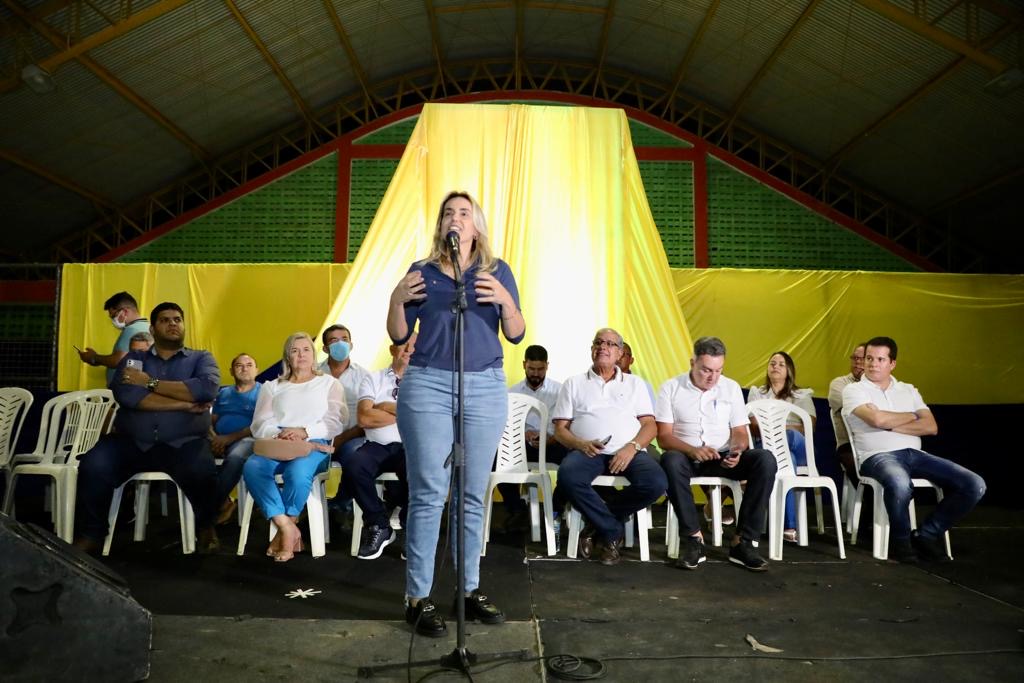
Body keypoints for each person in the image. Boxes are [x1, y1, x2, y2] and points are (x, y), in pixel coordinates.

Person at [388, 190, 524, 638]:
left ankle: (467, 591)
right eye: (449, 212)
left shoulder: (496, 271)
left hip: (483, 384)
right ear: (441, 224)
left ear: (477, 226)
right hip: (427, 382)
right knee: (429, 493)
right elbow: (398, 331)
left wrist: (505, 298)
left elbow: (517, 332)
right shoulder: (421, 272)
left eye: (465, 213)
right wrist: (394, 298)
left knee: (470, 494)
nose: (456, 218)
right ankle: (417, 598)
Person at [74, 302, 221, 554]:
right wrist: (185, 404)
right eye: (165, 320)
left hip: (183, 442)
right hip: (132, 442)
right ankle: (92, 533)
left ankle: (206, 526)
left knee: (202, 470)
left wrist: (149, 382)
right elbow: (130, 396)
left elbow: (206, 390)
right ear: (152, 329)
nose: (173, 323)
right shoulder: (134, 359)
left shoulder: (201, 358)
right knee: (93, 463)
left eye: (177, 319)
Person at [842, 336, 985, 563]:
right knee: (899, 482)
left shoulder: (908, 390)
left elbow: (930, 426)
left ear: (892, 364)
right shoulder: (854, 390)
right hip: (876, 456)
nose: (872, 364)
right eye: (869, 358)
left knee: (974, 484)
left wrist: (890, 423)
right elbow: (877, 420)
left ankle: (926, 535)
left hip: (915, 454)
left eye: (880, 359)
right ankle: (901, 542)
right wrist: (910, 417)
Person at [657, 336, 777, 571]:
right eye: (706, 370)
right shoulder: (670, 388)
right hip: (686, 455)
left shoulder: (730, 387)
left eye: (718, 370)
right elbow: (664, 437)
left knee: (765, 459)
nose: (712, 377)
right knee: (669, 460)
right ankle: (694, 539)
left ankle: (744, 542)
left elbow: (740, 432)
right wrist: (692, 450)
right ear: (692, 362)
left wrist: (737, 450)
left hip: (722, 455)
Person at [552, 328, 667, 566]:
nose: (603, 347)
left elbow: (650, 426)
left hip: (629, 452)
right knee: (568, 475)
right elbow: (560, 430)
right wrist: (580, 444)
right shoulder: (573, 383)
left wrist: (632, 447)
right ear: (592, 349)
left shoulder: (636, 384)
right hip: (588, 451)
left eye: (610, 344)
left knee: (657, 483)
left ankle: (595, 526)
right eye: (598, 342)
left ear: (620, 353)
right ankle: (612, 531)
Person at [241, 332, 346, 562]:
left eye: (306, 349)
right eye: (295, 350)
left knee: (297, 473)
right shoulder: (272, 386)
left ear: (314, 354)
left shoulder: (329, 383)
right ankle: (287, 527)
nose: (301, 355)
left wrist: (305, 432)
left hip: (314, 443)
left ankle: (285, 531)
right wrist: (280, 433)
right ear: (287, 356)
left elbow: (335, 422)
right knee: (252, 467)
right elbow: (259, 423)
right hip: (278, 442)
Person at [343, 335, 416, 560]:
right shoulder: (373, 379)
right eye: (404, 346)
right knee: (354, 465)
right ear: (392, 349)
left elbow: (423, 419)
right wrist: (405, 412)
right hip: (377, 445)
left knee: (419, 470)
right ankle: (379, 523)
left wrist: (385, 406)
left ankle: (410, 527)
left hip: (412, 446)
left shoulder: (426, 382)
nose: (408, 351)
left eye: (414, 348)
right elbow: (364, 417)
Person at [747, 351, 816, 542]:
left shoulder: (801, 394)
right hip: (769, 450)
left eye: (781, 364)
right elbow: (753, 426)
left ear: (789, 370)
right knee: (787, 458)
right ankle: (789, 526)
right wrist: (783, 429)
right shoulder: (757, 393)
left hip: (801, 447)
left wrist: (776, 430)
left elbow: (807, 428)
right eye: (772, 363)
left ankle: (786, 524)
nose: (775, 366)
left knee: (792, 436)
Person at [502, 344, 566, 533]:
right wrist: (524, 434)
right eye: (532, 369)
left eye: (540, 369)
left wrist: (550, 437)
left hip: (553, 444)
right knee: (495, 458)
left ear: (547, 366)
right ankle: (516, 510)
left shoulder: (559, 391)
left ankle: (555, 509)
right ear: (524, 365)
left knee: (574, 463)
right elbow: (506, 425)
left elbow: (565, 424)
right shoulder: (511, 392)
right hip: (521, 445)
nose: (536, 374)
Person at [210, 353, 261, 524]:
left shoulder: (264, 392)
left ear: (257, 370)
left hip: (248, 439)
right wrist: (215, 438)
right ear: (231, 371)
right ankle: (224, 503)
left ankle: (208, 507)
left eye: (249, 365)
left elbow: (260, 426)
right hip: (218, 440)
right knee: (193, 456)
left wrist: (228, 439)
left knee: (235, 457)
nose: (244, 368)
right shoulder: (223, 393)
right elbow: (212, 420)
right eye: (239, 365)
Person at [77, 291, 150, 384]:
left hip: (126, 390)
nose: (113, 321)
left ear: (125, 312)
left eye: (114, 316)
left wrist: (94, 358)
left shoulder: (131, 330)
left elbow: (118, 360)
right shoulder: (147, 327)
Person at [829, 343, 866, 486]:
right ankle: (871, 505)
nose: (857, 362)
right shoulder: (839, 384)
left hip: (874, 443)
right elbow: (856, 411)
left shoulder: (879, 385)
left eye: (862, 358)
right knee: (864, 474)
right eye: (854, 358)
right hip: (849, 445)